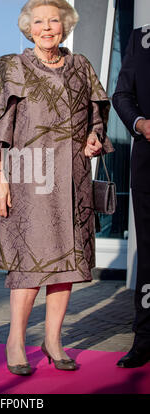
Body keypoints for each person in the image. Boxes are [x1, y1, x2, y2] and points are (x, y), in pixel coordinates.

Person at [0, 0, 114, 375]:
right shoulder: (13, 66)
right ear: (28, 28)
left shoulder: (81, 66)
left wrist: (94, 136)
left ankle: (53, 340)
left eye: (53, 21)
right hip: (29, 178)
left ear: (65, 26)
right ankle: (16, 341)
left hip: (73, 178)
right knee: (28, 266)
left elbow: (97, 111)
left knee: (67, 264)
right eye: (38, 21)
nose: (46, 28)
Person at [112, 26, 150, 368]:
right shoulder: (142, 37)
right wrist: (140, 123)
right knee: (149, 255)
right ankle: (145, 336)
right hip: (148, 162)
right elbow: (121, 95)